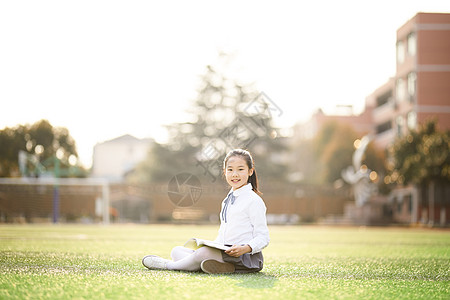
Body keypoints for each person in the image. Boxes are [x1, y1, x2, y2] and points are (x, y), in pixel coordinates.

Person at [142, 149, 270, 274]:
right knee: (176, 251)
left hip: (246, 257)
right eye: (230, 170)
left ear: (250, 171)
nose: (234, 174)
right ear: (224, 172)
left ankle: (169, 265)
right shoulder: (227, 200)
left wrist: (245, 248)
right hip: (226, 252)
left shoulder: (254, 201)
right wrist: (212, 246)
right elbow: (224, 234)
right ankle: (222, 266)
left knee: (202, 254)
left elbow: (263, 237)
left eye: (240, 169)